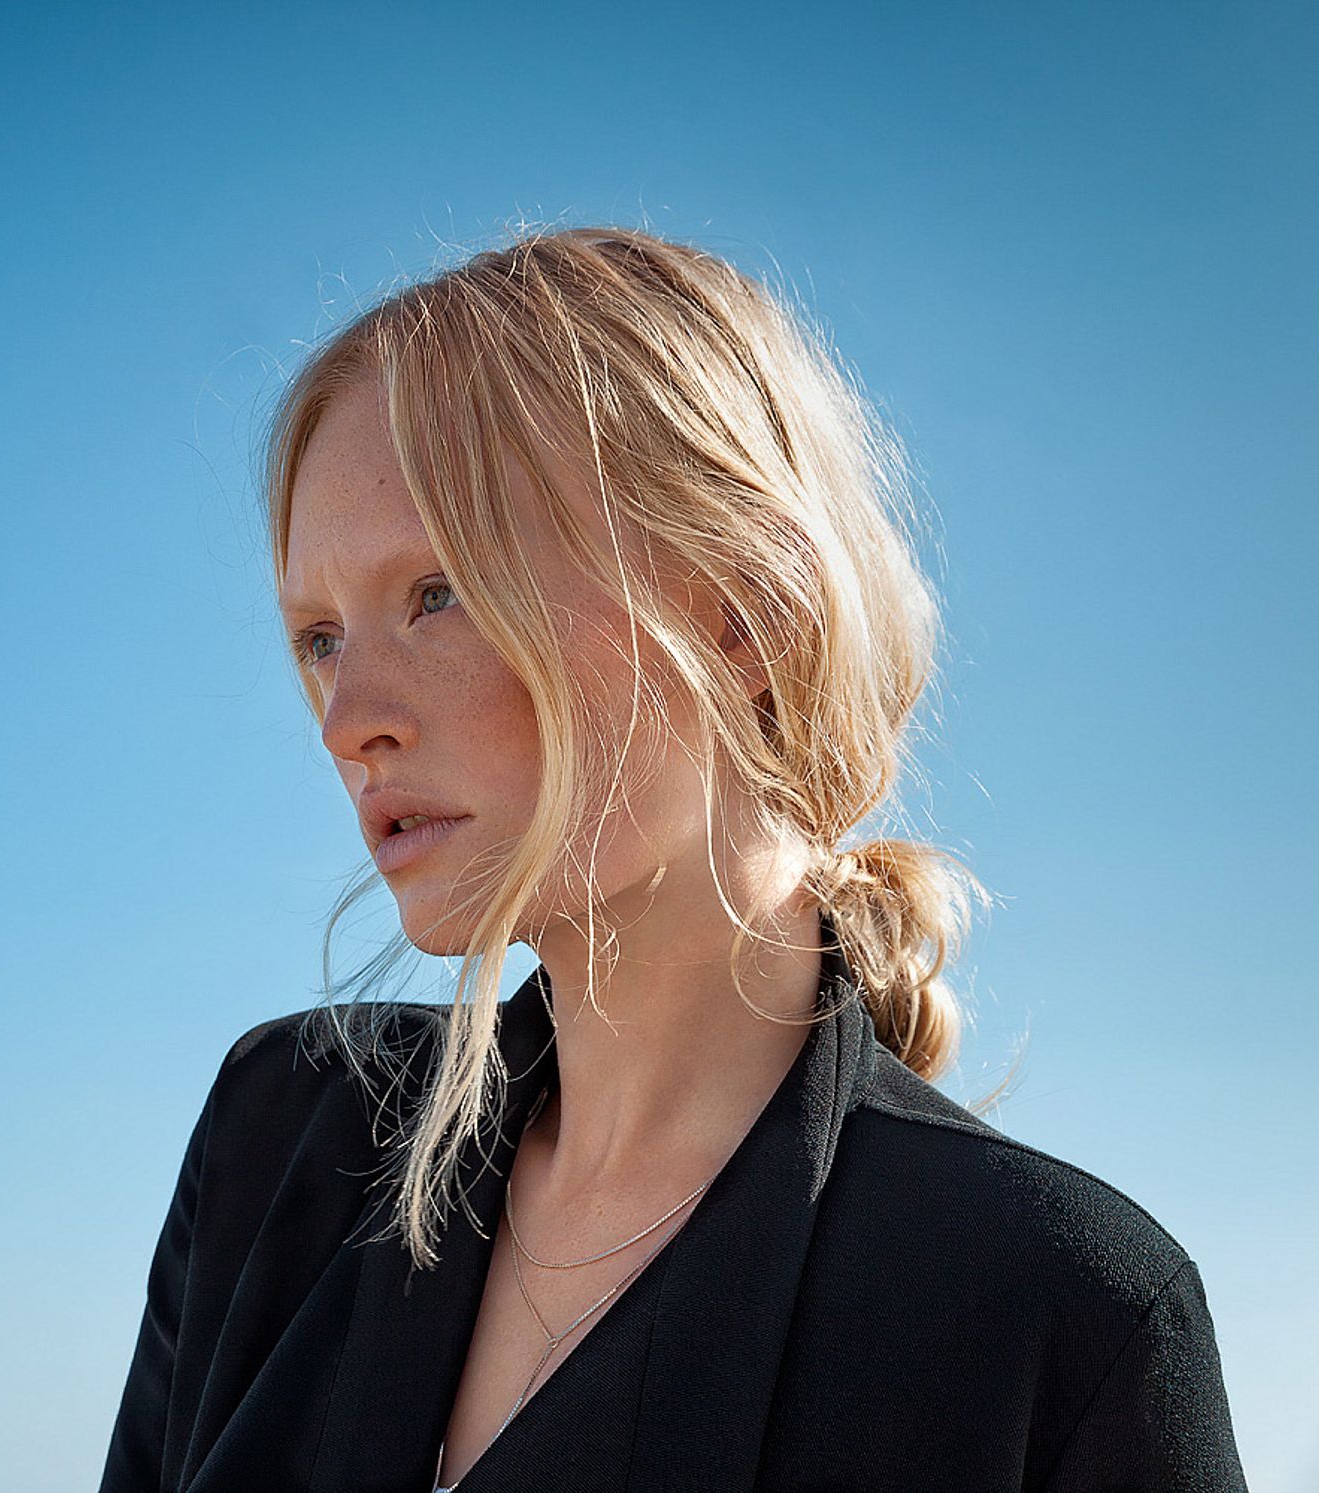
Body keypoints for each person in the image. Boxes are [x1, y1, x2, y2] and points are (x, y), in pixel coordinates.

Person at [96, 225, 1246, 1492]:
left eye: (439, 591)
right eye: (317, 635)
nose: (345, 716)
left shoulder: (1056, 1310)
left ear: (749, 610)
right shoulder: (277, 1144)